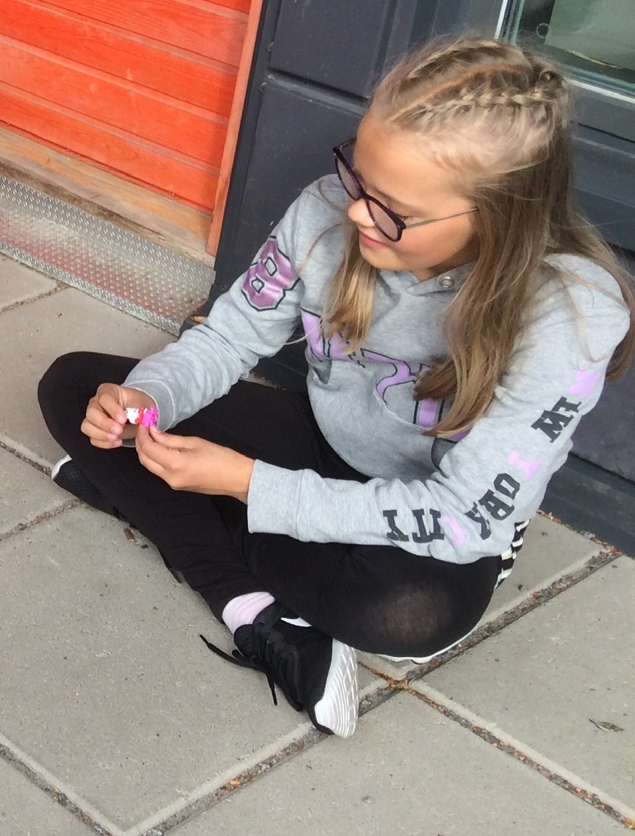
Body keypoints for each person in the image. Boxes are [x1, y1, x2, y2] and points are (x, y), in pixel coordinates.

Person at [39, 38, 632, 737]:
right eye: (358, 174)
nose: (355, 212)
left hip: (434, 518)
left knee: (406, 614)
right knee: (74, 386)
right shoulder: (326, 211)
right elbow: (228, 338)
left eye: (392, 208)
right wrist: (148, 399)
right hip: (325, 446)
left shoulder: (571, 313)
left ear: (498, 214)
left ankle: (175, 515)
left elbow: (464, 516)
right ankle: (253, 610)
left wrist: (247, 486)